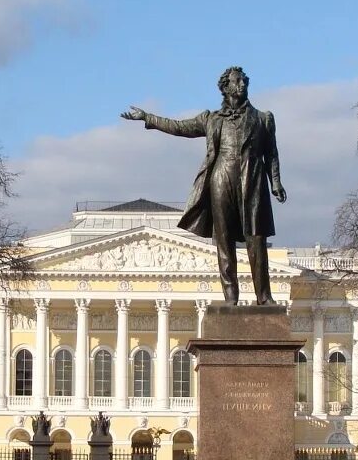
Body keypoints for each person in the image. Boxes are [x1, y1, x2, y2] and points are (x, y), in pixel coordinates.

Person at [121, 66, 287, 305]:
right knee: (224, 240)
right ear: (226, 87)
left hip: (253, 180)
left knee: (256, 239)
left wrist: (276, 182)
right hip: (221, 178)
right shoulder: (211, 119)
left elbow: (271, 153)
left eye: (244, 81)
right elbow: (179, 127)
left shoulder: (263, 119)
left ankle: (264, 297)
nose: (242, 84)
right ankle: (231, 298)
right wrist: (149, 118)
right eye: (237, 81)